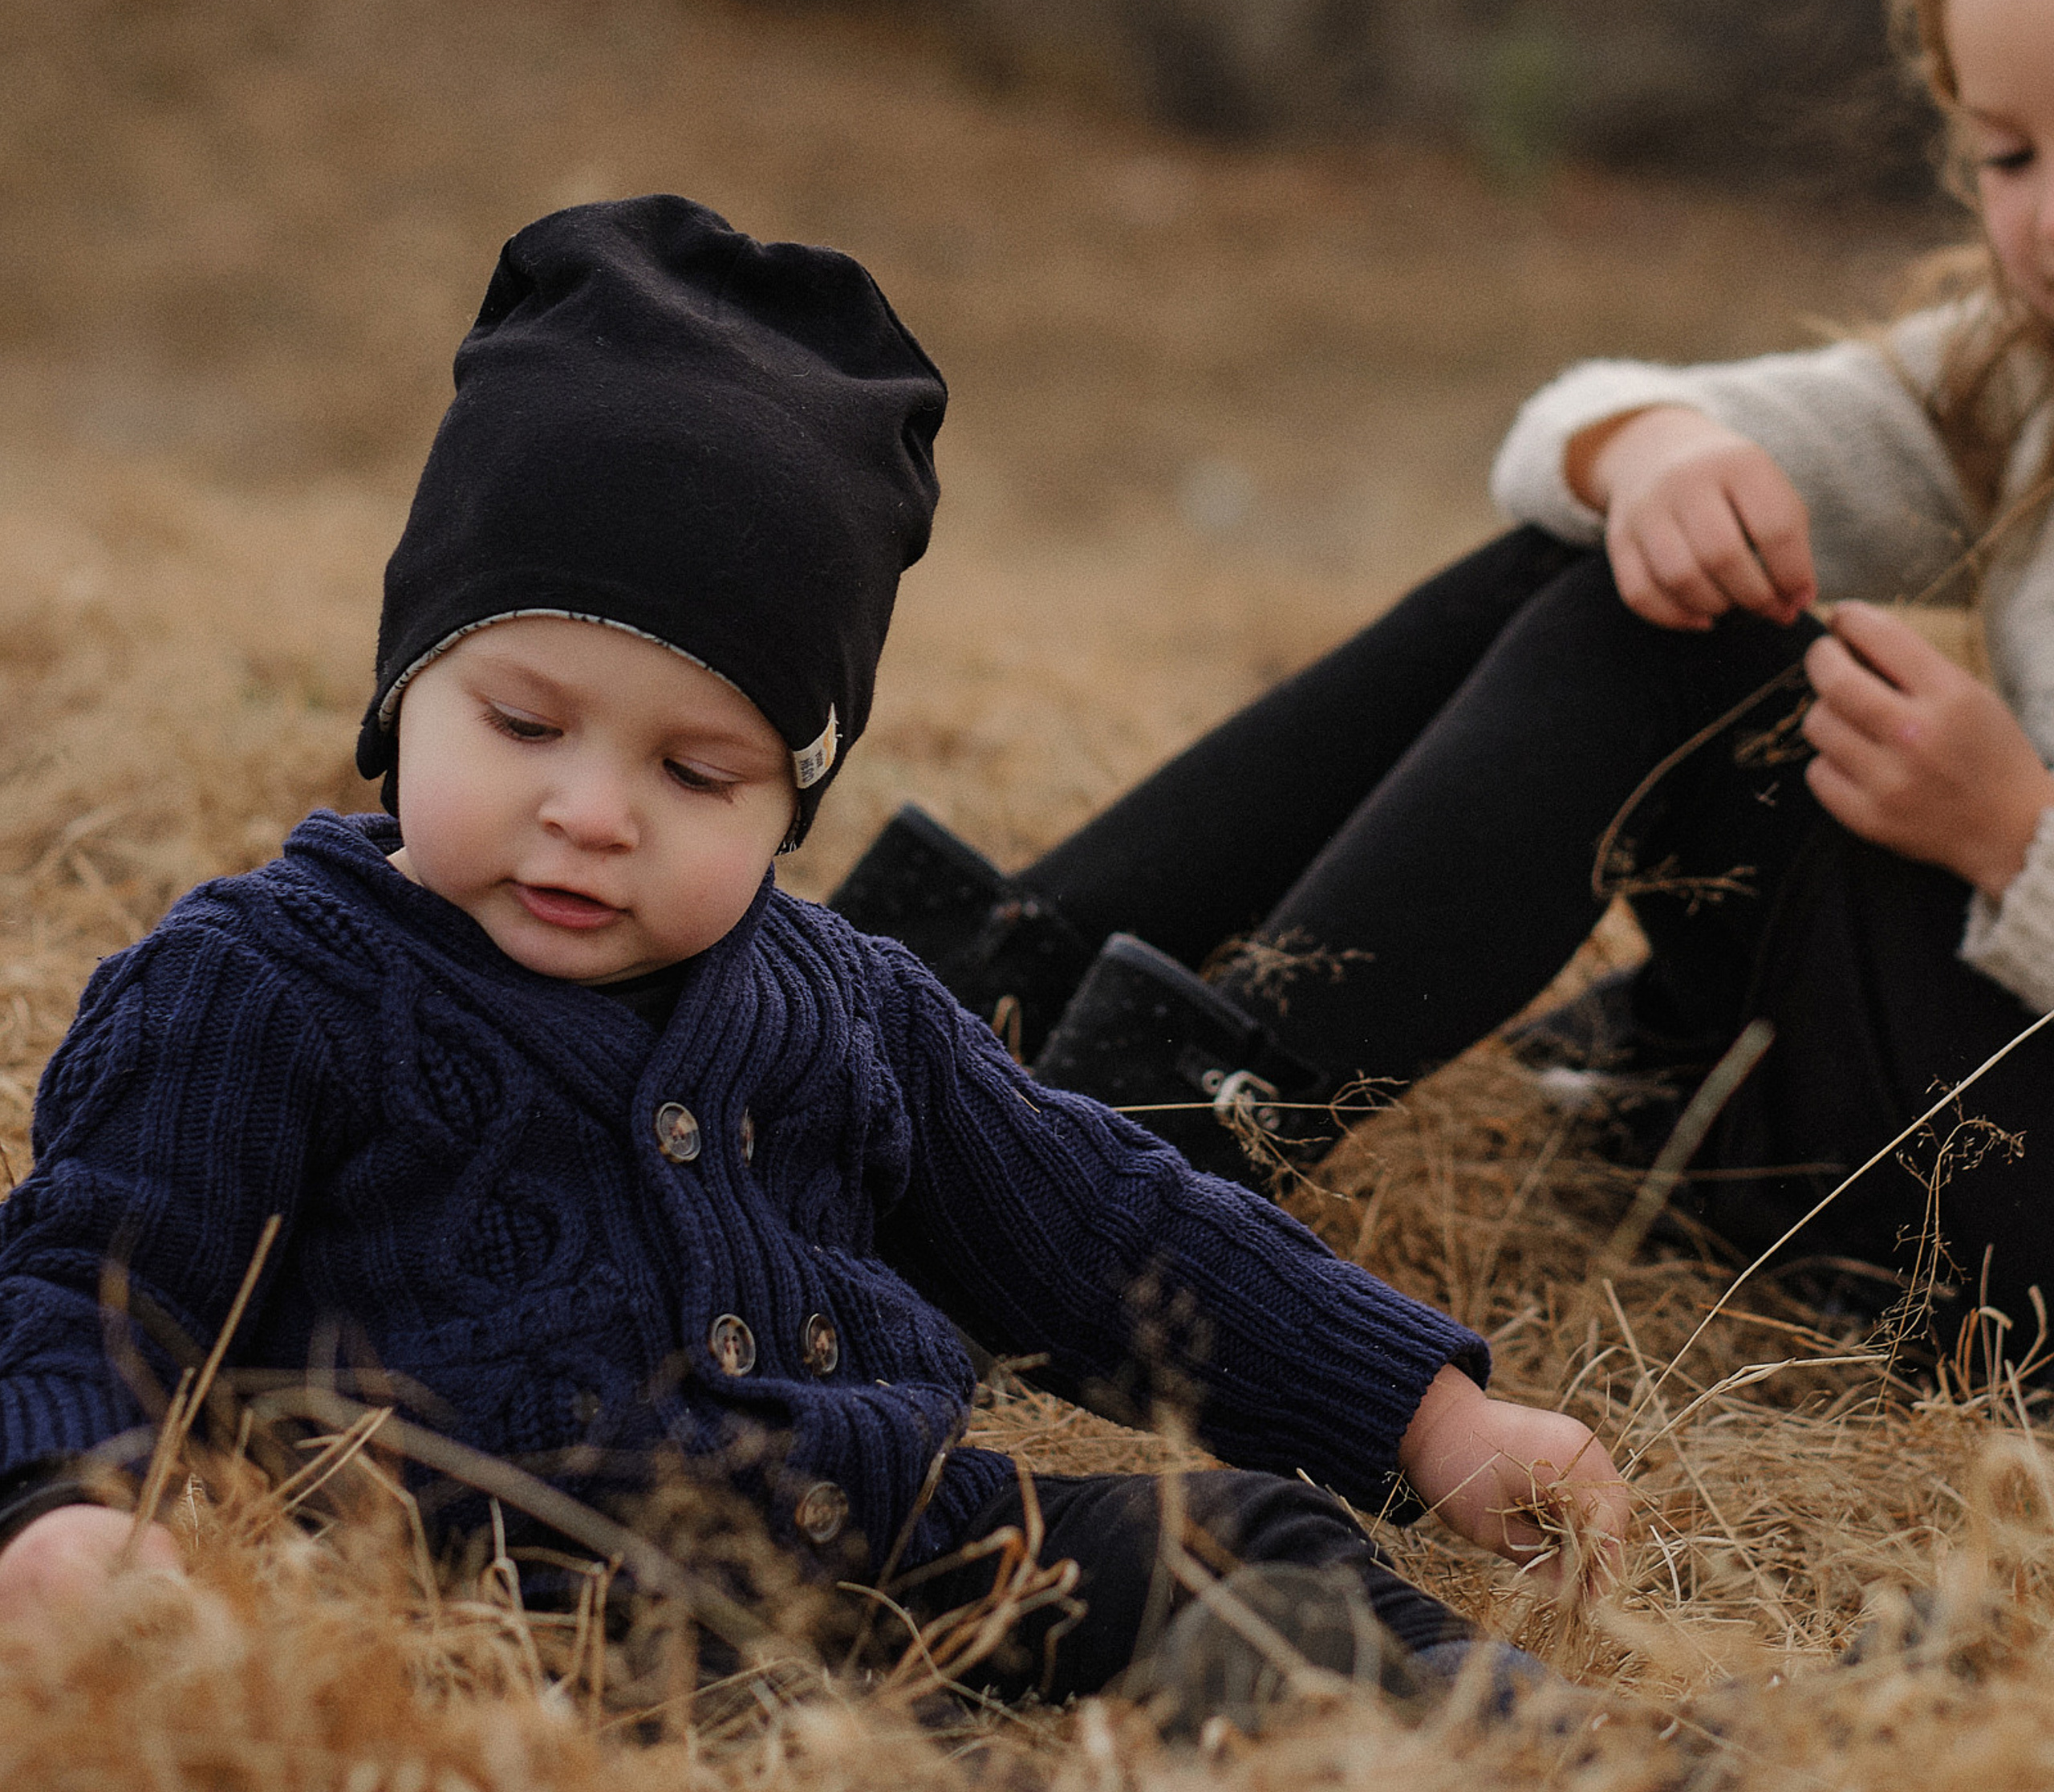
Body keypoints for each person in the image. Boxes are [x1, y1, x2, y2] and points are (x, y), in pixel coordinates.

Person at [0, 197, 1626, 1724]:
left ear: (791, 798)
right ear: (400, 688)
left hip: (906, 1545)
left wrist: (1432, 1415)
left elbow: (1104, 1225)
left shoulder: (841, 1003)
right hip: (530, 1626)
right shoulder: (259, 986)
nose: (589, 812)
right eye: (521, 723)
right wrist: (65, 1509)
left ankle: (1542, 1747)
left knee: (1253, 1542)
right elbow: (86, 1284)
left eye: (693, 774)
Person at [831, 0, 2054, 1351]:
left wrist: (2013, 834)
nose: (2038, 216)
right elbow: (1598, 432)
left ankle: (1100, 1174)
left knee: (1692, 645)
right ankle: (948, 1020)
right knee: (1646, 572)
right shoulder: (2015, 376)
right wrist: (1661, 455)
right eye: (2006, 154)